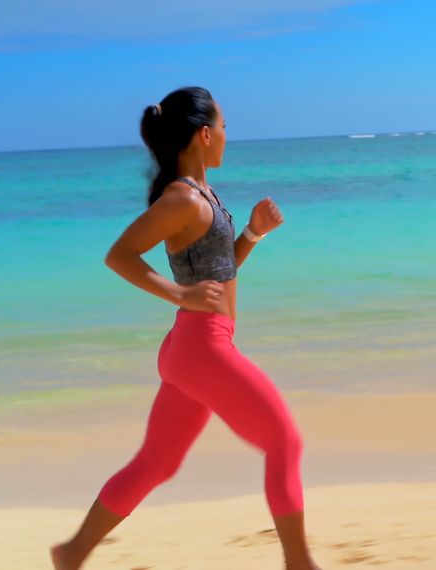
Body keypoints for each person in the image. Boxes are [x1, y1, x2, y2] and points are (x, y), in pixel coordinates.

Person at [50, 86, 323, 570]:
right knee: (285, 442)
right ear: (203, 134)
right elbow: (119, 255)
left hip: (189, 350)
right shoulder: (182, 198)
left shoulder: (203, 195)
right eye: (222, 127)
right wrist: (179, 295)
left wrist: (253, 235)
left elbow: (217, 275)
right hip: (202, 349)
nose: (225, 136)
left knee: (156, 463)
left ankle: (73, 553)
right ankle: (299, 563)